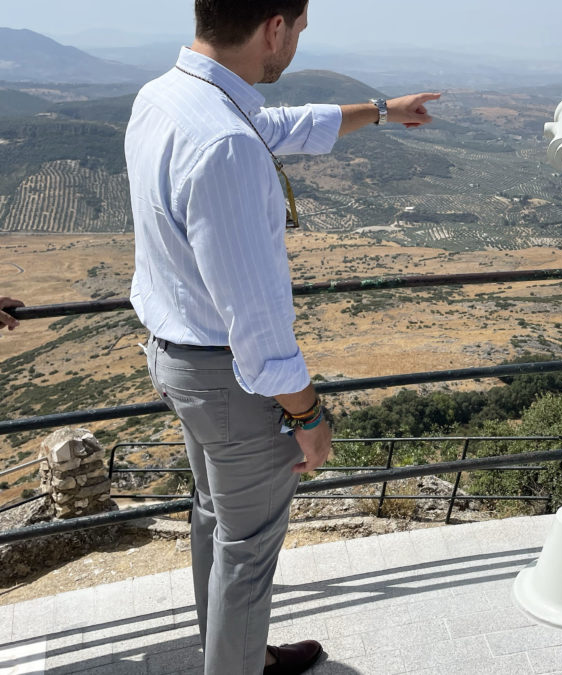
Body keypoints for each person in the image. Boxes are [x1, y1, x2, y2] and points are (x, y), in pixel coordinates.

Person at [124, 2, 439, 674]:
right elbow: (260, 333)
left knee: (215, 519)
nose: (296, 43)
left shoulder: (166, 97)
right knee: (248, 553)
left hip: (176, 361)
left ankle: (233, 653)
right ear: (273, 27)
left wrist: (383, 110)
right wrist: (310, 415)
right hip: (230, 383)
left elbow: (282, 126)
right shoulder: (226, 144)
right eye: (297, 29)